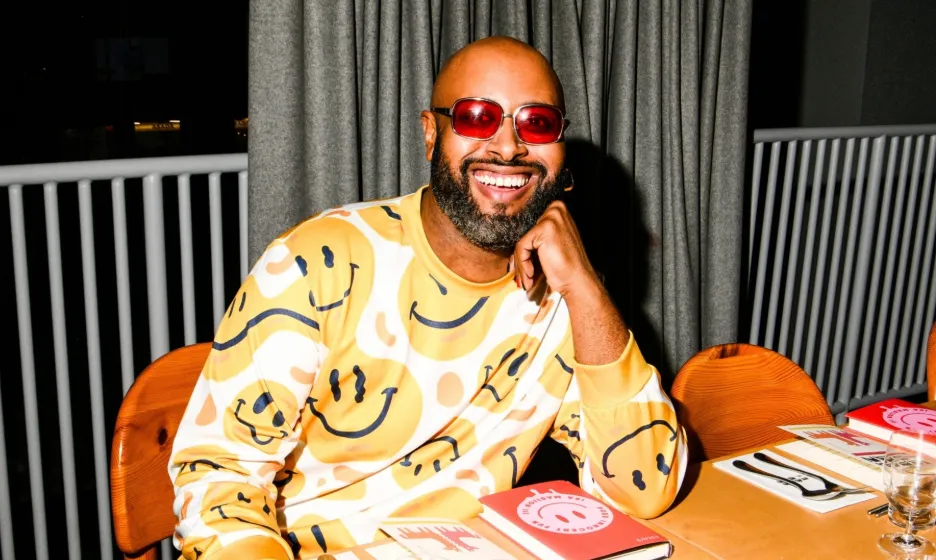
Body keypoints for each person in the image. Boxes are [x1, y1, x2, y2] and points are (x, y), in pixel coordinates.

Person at [169, 36, 687, 560]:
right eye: (478, 117)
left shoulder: (562, 296)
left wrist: (585, 289)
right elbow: (217, 480)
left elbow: (643, 488)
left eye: (537, 123)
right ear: (429, 134)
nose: (508, 147)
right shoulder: (318, 264)